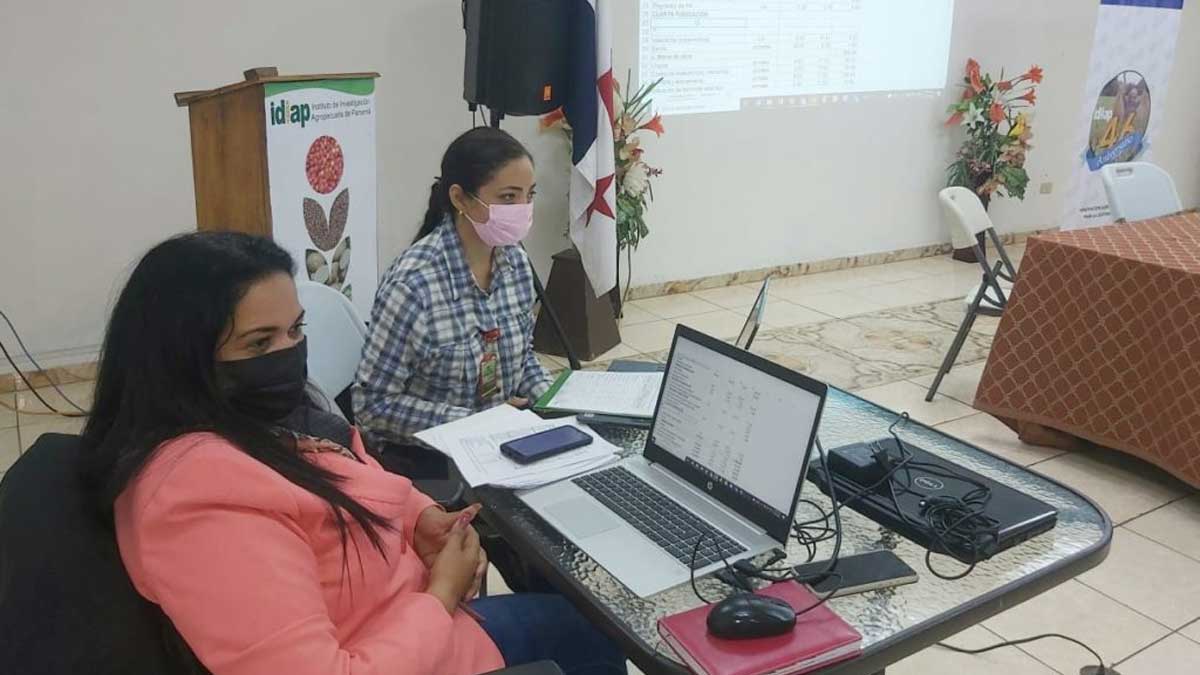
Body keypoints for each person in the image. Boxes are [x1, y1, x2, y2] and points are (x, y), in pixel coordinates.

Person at [80, 231, 625, 675]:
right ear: (183, 356)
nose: (288, 355)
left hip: (412, 621)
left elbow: (345, 480)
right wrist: (439, 596)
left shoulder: (257, 419)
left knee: (576, 619)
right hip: (419, 643)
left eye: (295, 330)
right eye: (258, 343)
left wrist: (418, 520)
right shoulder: (197, 503)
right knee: (587, 630)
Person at [354, 127, 553, 478]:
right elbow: (373, 407)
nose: (522, 210)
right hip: (431, 457)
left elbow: (523, 360)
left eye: (529, 195)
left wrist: (554, 402)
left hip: (502, 439)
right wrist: (477, 424)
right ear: (461, 199)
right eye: (508, 197)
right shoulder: (414, 286)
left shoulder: (515, 263)